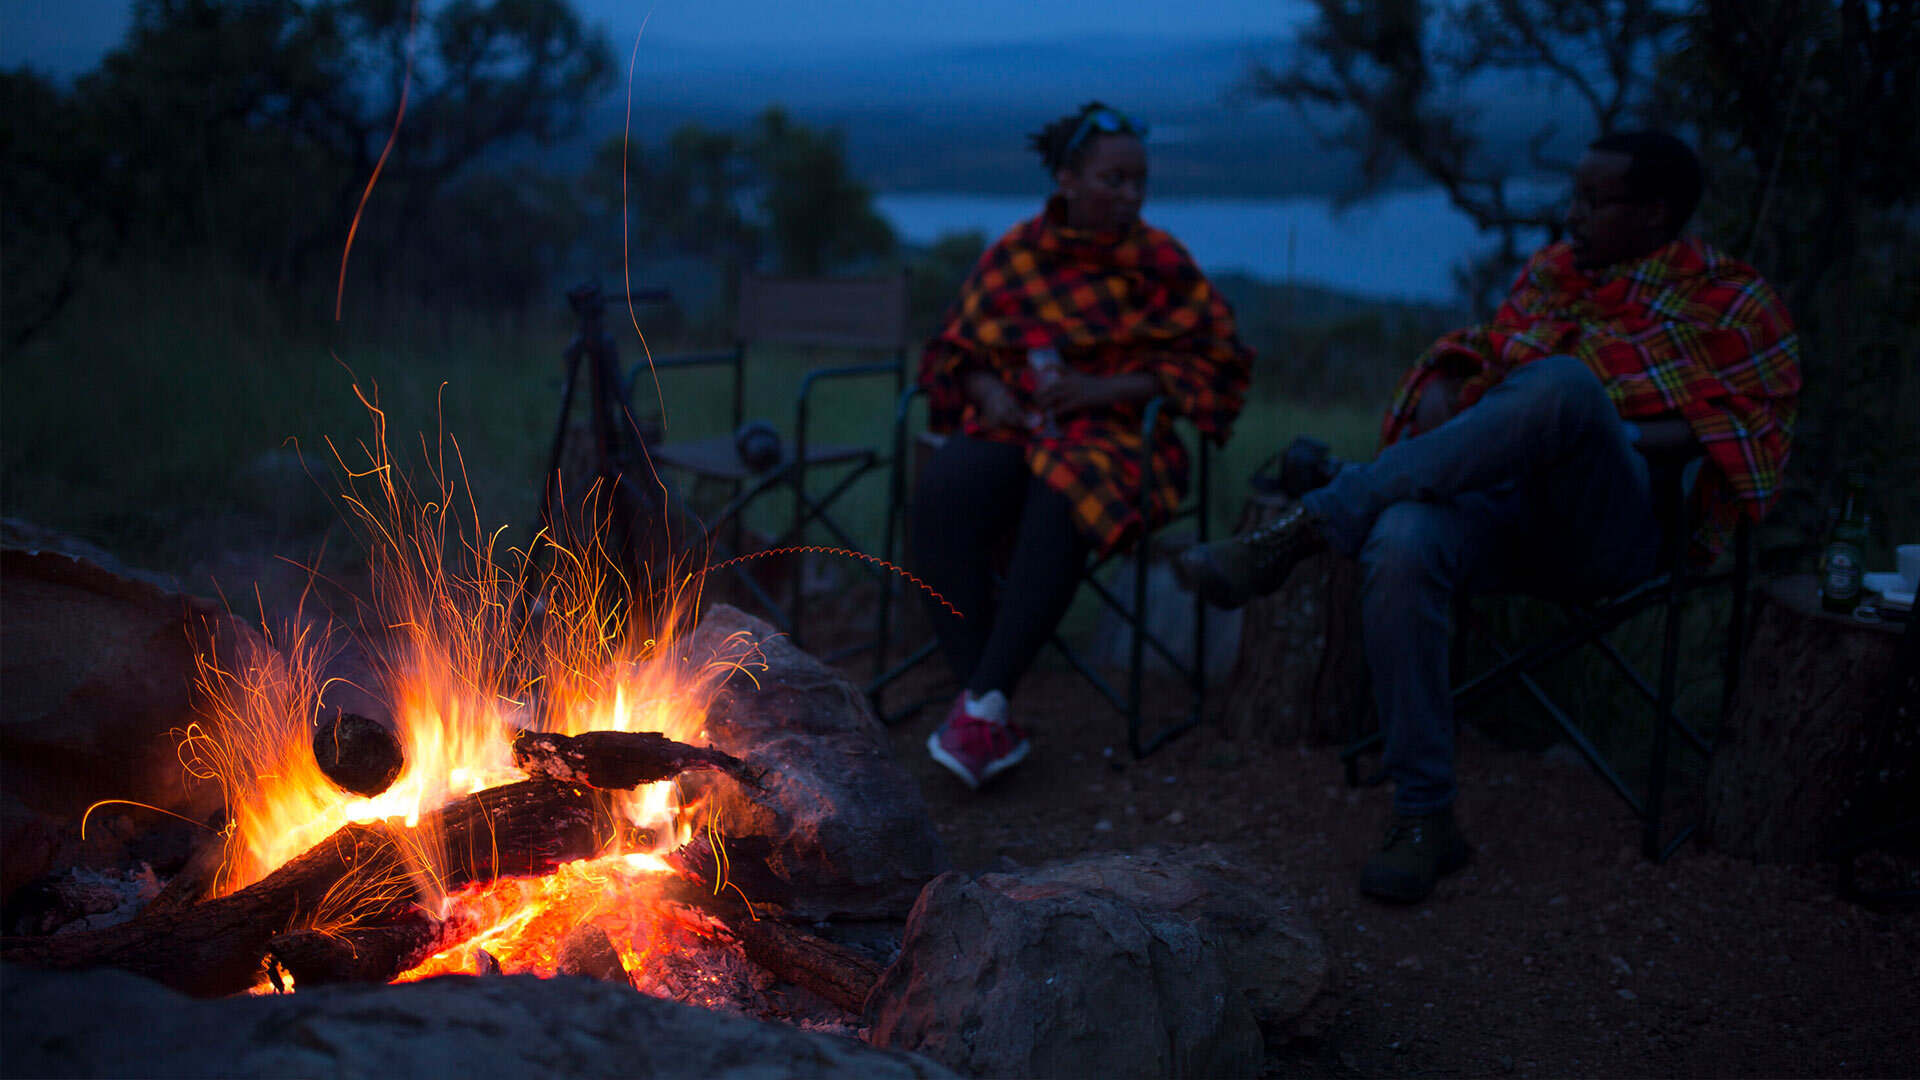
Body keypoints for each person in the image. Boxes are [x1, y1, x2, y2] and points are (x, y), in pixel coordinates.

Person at [1176, 130, 1801, 901]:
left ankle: (1316, 518)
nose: (1570, 214)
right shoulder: (1552, 275)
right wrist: (1456, 386)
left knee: (1568, 390)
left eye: (1592, 200)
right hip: (1498, 513)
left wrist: (1604, 427)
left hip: (1614, 529)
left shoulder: (1732, 299)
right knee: (1402, 541)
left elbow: (1738, 425)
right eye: (1572, 192)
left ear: (1652, 213)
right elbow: (1487, 365)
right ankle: (1423, 815)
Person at [912, 101, 1253, 790]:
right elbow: (958, 348)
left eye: (1139, 181)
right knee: (944, 488)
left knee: (1068, 479)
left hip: (1122, 436)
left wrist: (1104, 391)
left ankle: (981, 704)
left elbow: (1217, 360)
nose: (1131, 196)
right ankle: (985, 701)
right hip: (1019, 423)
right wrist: (988, 392)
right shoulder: (1017, 252)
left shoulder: (1161, 262)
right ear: (1068, 179)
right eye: (1113, 180)